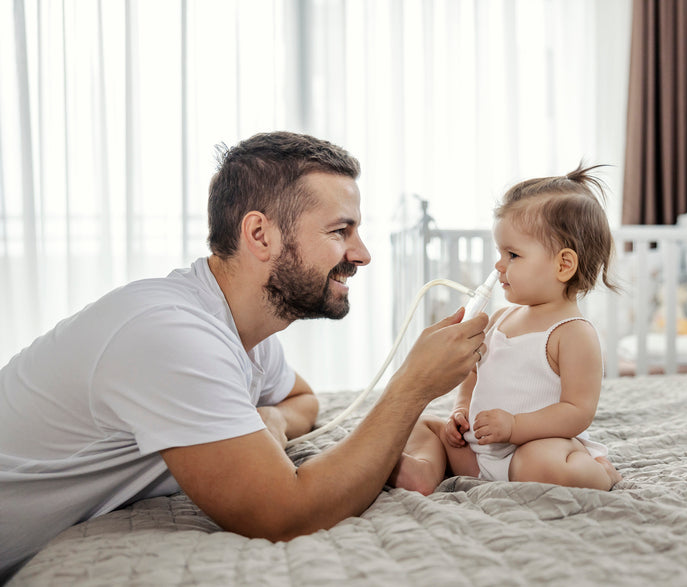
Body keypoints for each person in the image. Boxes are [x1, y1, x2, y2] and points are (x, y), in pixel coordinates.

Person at [0, 131, 488, 581]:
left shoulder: (240, 332)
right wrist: (412, 387)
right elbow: (284, 515)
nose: (362, 254)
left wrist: (271, 418)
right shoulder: (172, 335)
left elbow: (302, 399)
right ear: (260, 235)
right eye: (341, 230)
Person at [389, 164, 622, 495]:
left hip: (532, 449)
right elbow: (472, 376)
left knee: (538, 462)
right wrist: (459, 410)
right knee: (426, 424)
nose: (499, 264)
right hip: (479, 452)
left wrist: (515, 427)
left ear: (563, 265)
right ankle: (423, 471)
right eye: (500, 252)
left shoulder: (573, 333)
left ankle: (600, 474)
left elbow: (577, 412)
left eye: (512, 254)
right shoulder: (499, 318)